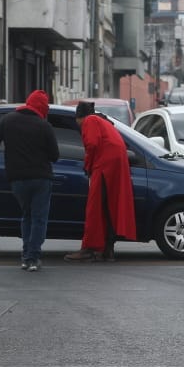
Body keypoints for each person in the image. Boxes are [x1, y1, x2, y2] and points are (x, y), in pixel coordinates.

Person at [0, 90, 59, 272]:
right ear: (42, 107)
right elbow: (54, 156)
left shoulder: (8, 120)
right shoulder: (44, 126)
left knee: (27, 216)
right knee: (39, 219)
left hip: (17, 179)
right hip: (41, 178)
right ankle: (33, 257)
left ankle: (26, 256)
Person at [65, 101, 137, 262]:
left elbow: (92, 144)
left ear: (80, 116)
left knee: (95, 208)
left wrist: (88, 166)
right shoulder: (105, 123)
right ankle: (107, 249)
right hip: (114, 167)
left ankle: (89, 248)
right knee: (108, 208)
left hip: (103, 166)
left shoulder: (90, 121)